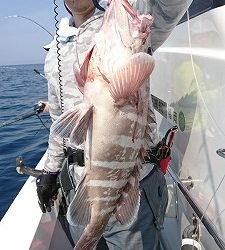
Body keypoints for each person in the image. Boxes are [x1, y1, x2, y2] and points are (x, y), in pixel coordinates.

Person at [36, 0, 193, 249]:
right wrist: (51, 171)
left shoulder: (127, 20)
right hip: (79, 184)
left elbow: (173, 4)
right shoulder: (55, 49)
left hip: (132, 184)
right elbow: (58, 117)